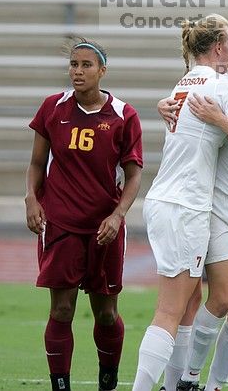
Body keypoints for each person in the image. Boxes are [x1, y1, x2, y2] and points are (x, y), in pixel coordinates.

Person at [131, 16, 228, 391]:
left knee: (191, 302)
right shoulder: (224, 87)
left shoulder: (186, 82)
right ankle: (168, 383)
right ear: (224, 48)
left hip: (170, 200)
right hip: (191, 205)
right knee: (173, 308)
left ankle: (181, 386)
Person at [24, 37, 144, 391]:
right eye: (74, 64)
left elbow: (135, 174)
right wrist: (31, 198)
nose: (78, 71)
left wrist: (118, 215)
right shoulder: (52, 108)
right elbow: (35, 163)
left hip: (104, 228)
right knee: (61, 310)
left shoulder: (124, 115)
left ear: (102, 71)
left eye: (86, 65)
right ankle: (60, 385)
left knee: (106, 313)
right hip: (60, 223)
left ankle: (108, 378)